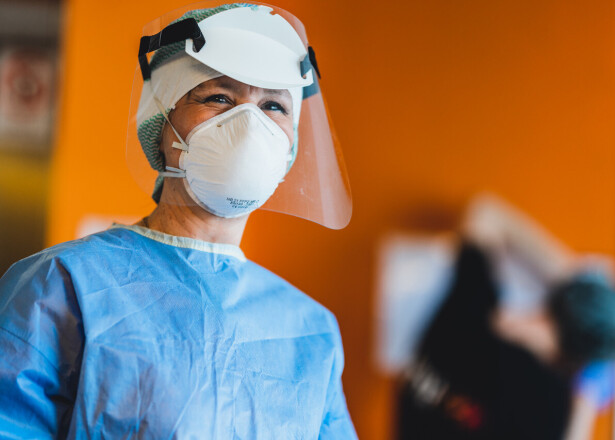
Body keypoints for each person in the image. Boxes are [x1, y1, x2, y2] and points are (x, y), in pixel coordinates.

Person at [0, 3, 357, 438]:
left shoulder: (311, 332)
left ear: (290, 148)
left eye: (273, 106)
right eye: (219, 98)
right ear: (162, 125)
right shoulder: (62, 286)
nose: (250, 127)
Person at [397, 195, 615, 440]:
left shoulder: (474, 301)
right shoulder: (551, 410)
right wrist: (586, 397)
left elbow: (486, 214)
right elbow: (484, 212)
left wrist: (570, 276)